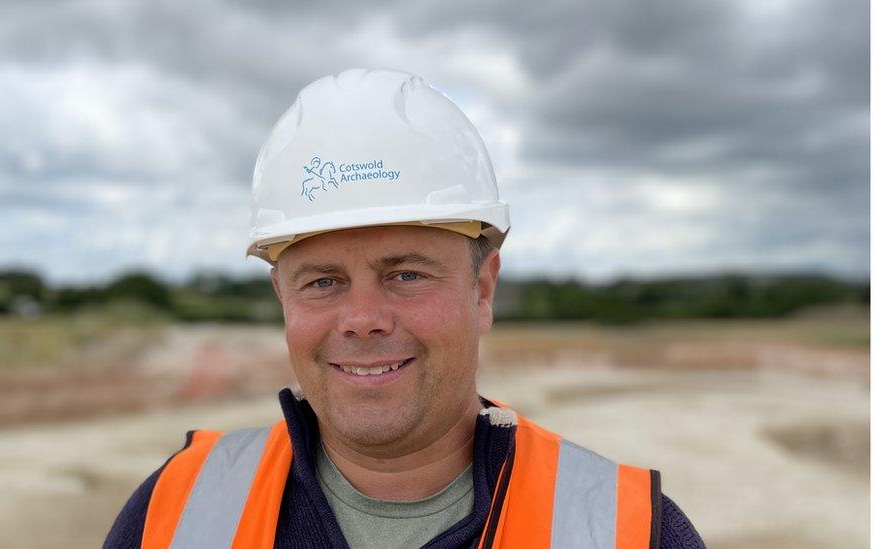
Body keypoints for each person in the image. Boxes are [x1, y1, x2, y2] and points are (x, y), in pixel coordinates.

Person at [104, 68, 705, 548]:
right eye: (322, 282)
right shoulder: (174, 511)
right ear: (281, 298)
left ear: (482, 290)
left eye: (406, 274)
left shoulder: (629, 532)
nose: (362, 317)